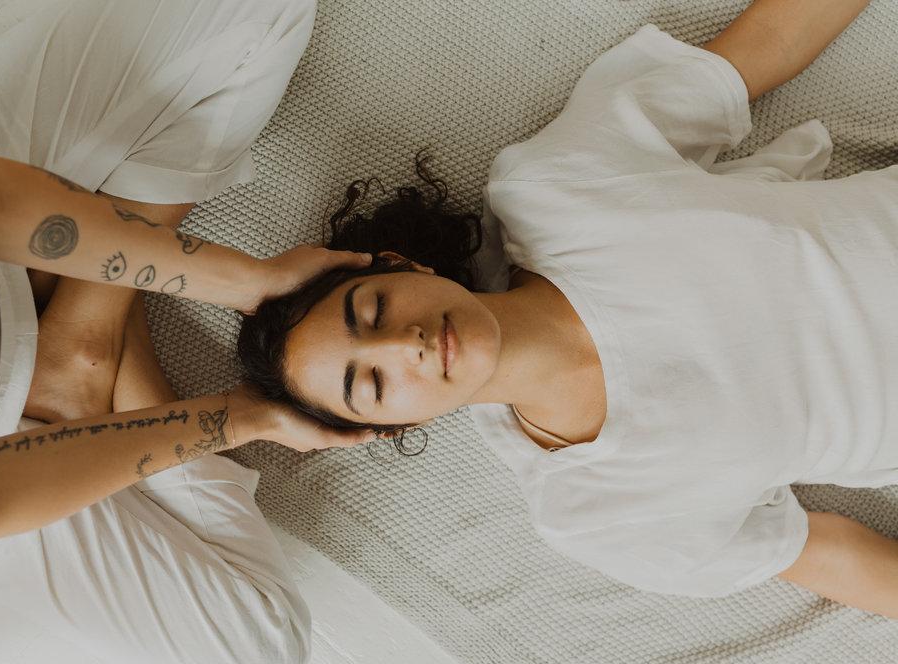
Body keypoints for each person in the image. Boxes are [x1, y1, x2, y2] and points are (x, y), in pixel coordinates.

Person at [237, 0, 898, 618]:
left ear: (399, 264)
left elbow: (763, 45)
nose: (403, 345)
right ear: (393, 426)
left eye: (373, 311)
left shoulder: (552, 186)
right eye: (373, 384)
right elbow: (835, 555)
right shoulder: (598, 514)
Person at [0, 0, 372, 662]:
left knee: (256, 12)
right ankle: (80, 341)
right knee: (254, 646)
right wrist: (238, 417)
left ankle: (83, 329)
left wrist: (245, 284)